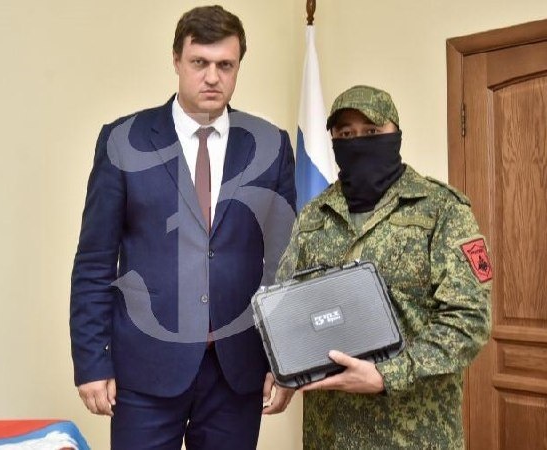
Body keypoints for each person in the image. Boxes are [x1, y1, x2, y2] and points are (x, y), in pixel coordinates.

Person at [69, 5, 297, 450]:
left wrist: (284, 358)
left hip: (237, 371)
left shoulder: (271, 145)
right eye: (199, 63)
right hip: (145, 370)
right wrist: (92, 361)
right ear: (176, 60)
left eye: (225, 65)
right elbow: (95, 261)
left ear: (238, 67)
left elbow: (283, 265)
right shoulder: (124, 140)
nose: (212, 77)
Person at [276, 85, 493, 449]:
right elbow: (289, 307)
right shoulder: (315, 215)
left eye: (372, 131)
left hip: (413, 433)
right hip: (330, 432)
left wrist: (387, 375)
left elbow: (469, 319)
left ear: (396, 134)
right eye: (346, 135)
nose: (358, 142)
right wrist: (284, 367)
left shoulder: (441, 209)